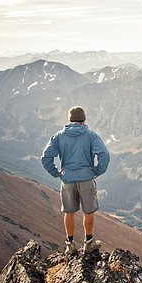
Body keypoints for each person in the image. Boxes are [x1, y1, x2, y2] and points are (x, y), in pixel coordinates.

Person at [41, 106, 110, 255]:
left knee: (69, 212)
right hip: (86, 179)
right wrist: (97, 171)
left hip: (67, 180)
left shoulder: (58, 136)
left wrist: (56, 173)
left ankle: (69, 244)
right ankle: (88, 243)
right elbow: (104, 155)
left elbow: (46, 158)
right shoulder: (91, 136)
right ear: (84, 120)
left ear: (69, 120)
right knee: (88, 211)